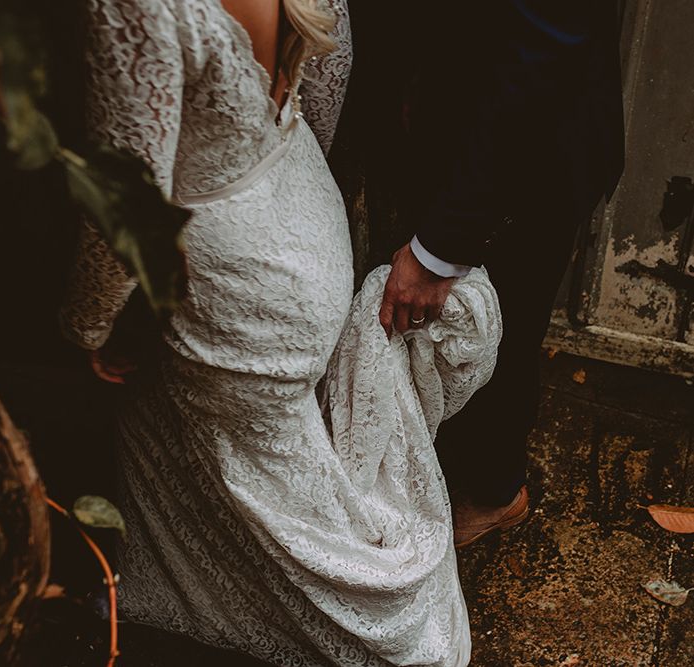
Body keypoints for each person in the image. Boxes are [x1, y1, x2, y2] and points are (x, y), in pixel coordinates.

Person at [60, 1, 503, 664]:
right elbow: (331, 65)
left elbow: (126, 191)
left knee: (282, 502)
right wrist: (271, 177)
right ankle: (163, 589)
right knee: (170, 427)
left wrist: (86, 323)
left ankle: (405, 642)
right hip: (300, 199)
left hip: (229, 273)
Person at [379, 1, 625, 546]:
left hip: (536, 152)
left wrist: (437, 251)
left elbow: (539, 68)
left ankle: (494, 492)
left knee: (504, 322)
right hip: (457, 111)